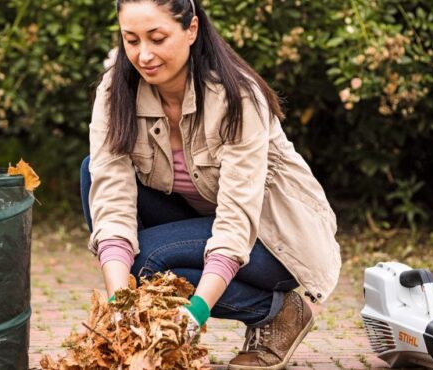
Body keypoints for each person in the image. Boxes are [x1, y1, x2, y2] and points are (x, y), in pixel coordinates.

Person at [79, 0, 341, 368]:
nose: (144, 54)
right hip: (202, 218)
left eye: (157, 38)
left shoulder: (238, 97)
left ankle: (280, 312)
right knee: (92, 172)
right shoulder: (115, 91)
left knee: (149, 262)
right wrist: (119, 308)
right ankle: (142, 317)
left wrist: (195, 314)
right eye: (131, 40)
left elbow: (236, 219)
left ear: (191, 29)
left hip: (275, 237)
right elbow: (111, 194)